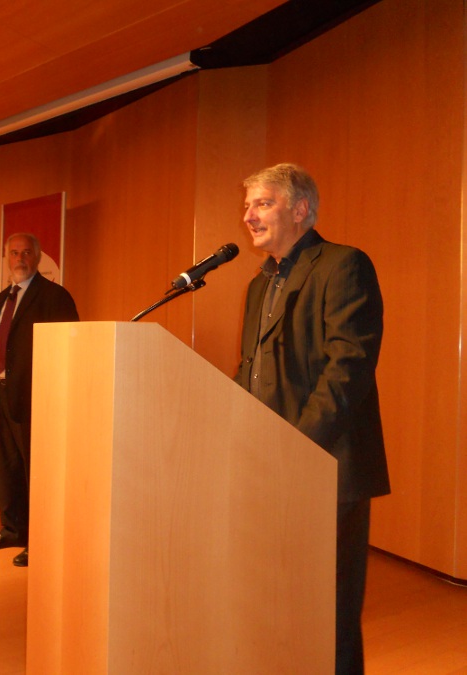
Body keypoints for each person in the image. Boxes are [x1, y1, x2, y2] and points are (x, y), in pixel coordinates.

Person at [233, 163, 390, 675]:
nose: (248, 216)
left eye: (262, 204)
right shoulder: (260, 284)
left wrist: (297, 450)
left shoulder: (343, 266)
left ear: (300, 209)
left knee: (330, 611)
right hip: (272, 468)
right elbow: (251, 371)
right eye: (248, 206)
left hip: (328, 466)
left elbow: (347, 368)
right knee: (284, 599)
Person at [0, 232, 79, 567]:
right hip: (1, 391)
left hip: (36, 397)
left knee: (36, 472)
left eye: (25, 253)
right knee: (7, 468)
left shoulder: (55, 296)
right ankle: (13, 529)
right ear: (6, 258)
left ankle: (40, 539)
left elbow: (69, 348)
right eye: (14, 253)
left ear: (37, 257)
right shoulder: (1, 299)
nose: (19, 258)